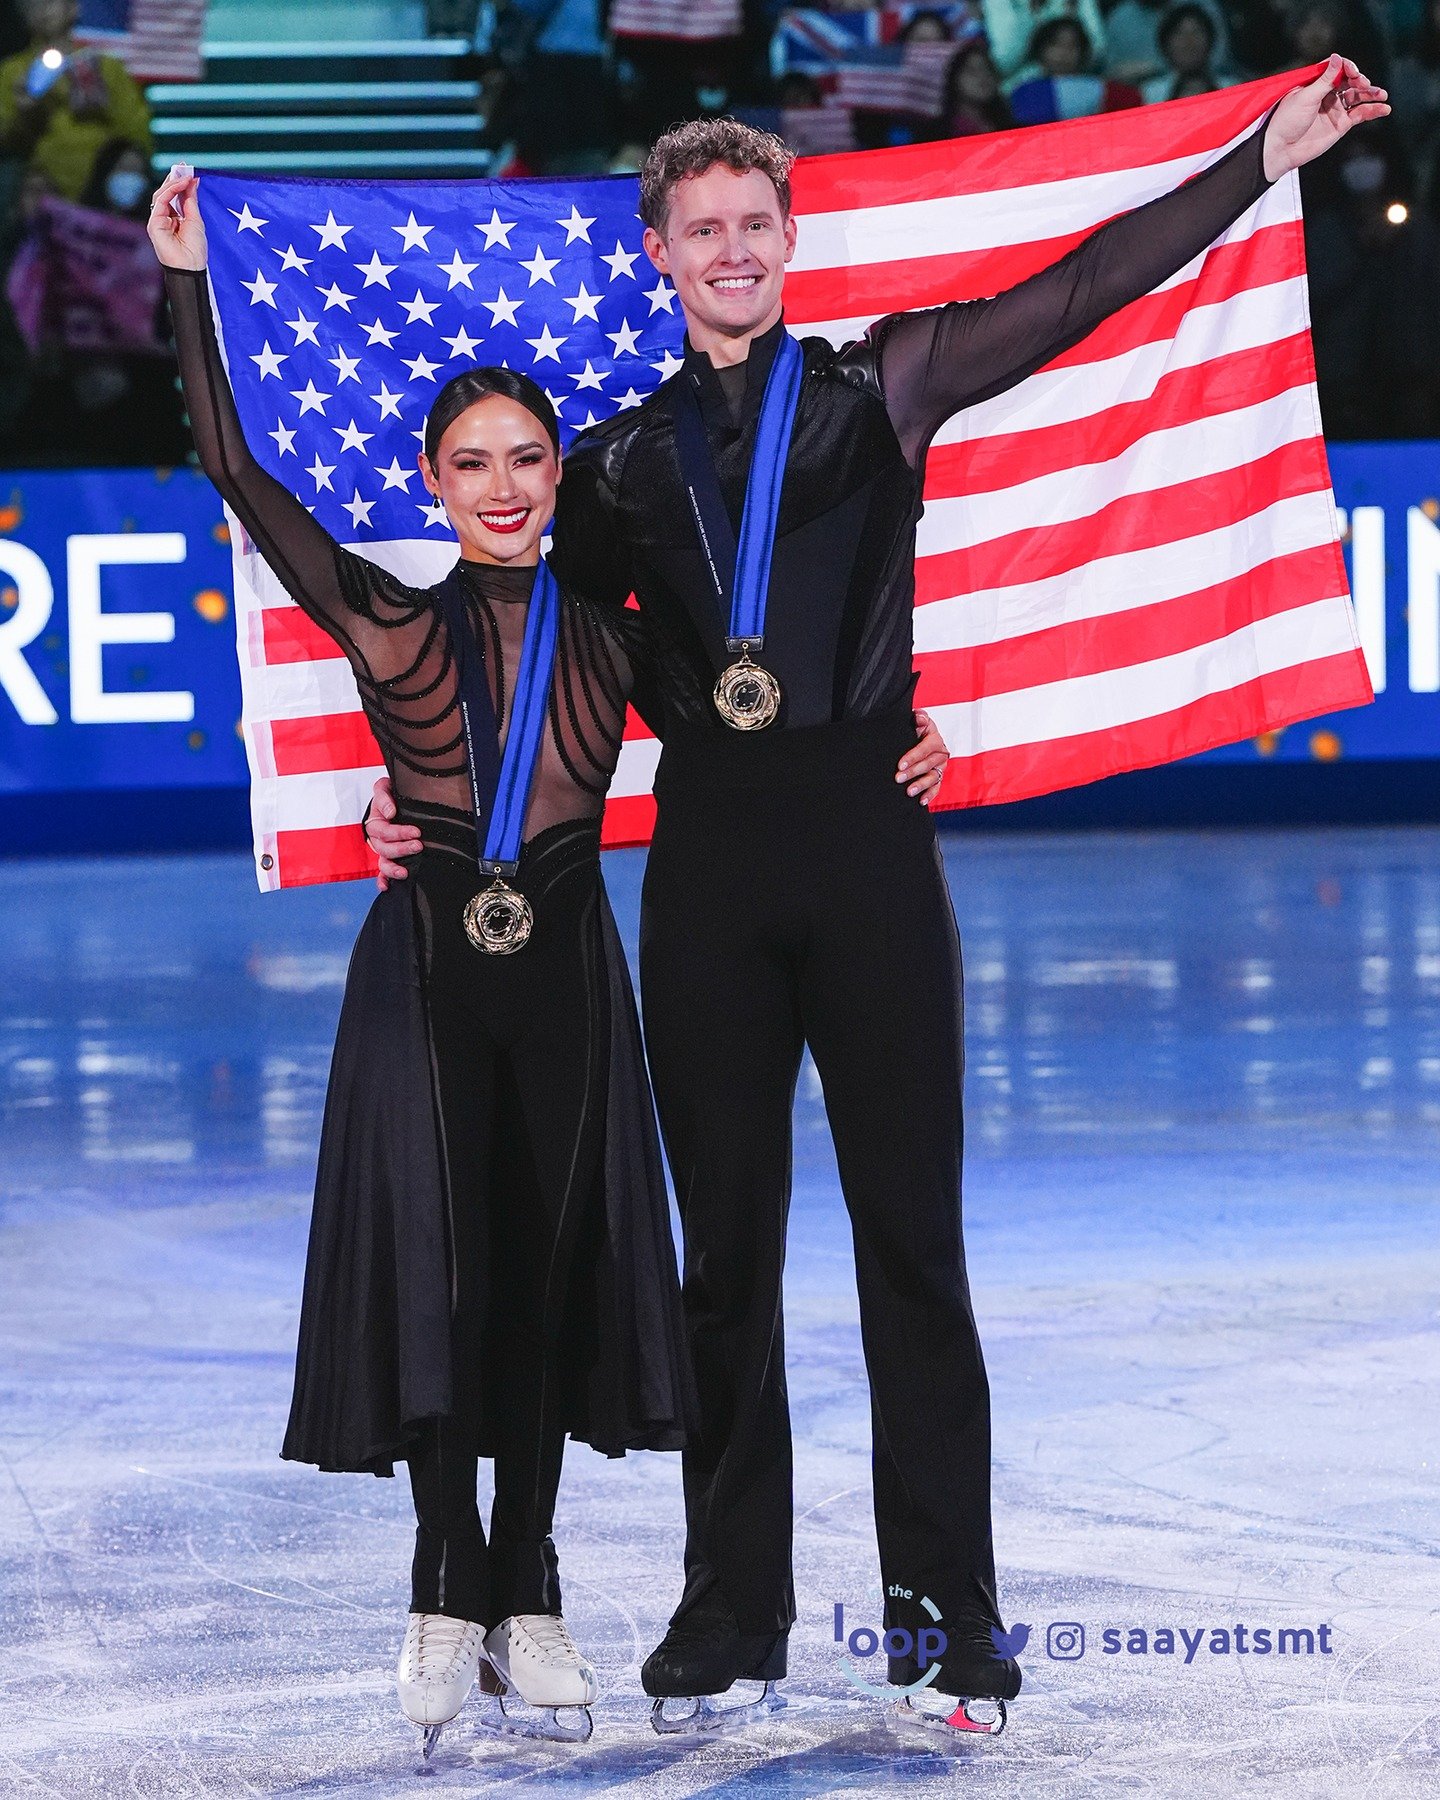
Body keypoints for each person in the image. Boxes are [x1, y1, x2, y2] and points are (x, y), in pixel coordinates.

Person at [369, 57, 1389, 1737]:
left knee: (915, 1251)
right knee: (728, 1269)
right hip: (705, 866)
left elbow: (1076, 291)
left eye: (753, 223)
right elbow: (529, 649)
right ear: (659, 250)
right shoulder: (615, 466)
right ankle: (731, 1616)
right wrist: (404, 787)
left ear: (788, 234)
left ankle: (948, 1623)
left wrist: (1257, 158)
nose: (731, 251)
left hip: (864, 850)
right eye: (699, 229)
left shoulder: (880, 390)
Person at [145, 166, 697, 1758]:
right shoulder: (390, 624)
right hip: (429, 977)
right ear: (433, 482)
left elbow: (756, 716)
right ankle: (441, 1590)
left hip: (569, 971)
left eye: (529, 458)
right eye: (474, 464)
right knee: (449, 1283)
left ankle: (532, 1595)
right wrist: (187, 283)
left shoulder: (614, 634)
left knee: (540, 1283)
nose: (507, 486)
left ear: (558, 473)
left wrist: (900, 721)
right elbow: (241, 471)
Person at [0, 0, 151, 202]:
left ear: (73, 8)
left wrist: (129, 156)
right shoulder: (14, 71)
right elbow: (6, 141)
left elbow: (138, 130)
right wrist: (25, 115)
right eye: (32, 4)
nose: (41, 10)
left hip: (102, 184)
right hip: (40, 183)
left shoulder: (105, 66)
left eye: (50, 2)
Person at [1009, 18, 1142, 123]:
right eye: (1056, 44)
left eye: (1072, 46)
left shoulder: (1101, 89)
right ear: (1040, 49)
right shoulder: (1025, 93)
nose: (1064, 53)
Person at [1141, 3, 1233, 103]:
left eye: (1197, 32)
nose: (1189, 42)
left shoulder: (1231, 88)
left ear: (1210, 41)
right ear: (1166, 43)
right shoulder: (1150, 94)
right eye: (1179, 33)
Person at [941, 40, 1015, 135]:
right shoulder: (945, 132)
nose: (982, 76)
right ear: (954, 78)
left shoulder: (1006, 123)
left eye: (987, 69)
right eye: (972, 71)